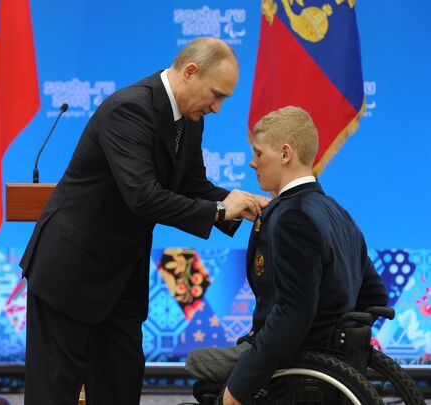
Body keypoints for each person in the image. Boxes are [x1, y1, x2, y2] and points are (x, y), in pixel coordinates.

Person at [20, 37, 270, 405]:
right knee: (54, 392)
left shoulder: (190, 119)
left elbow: (193, 185)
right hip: (70, 273)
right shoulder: (129, 109)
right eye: (216, 95)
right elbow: (143, 197)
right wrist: (219, 210)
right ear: (190, 72)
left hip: (120, 278)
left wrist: (242, 203)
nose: (217, 107)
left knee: (121, 386)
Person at [185, 106, 388, 405]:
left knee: (198, 366)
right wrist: (339, 345)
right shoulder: (339, 214)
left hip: (295, 359)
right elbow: (375, 297)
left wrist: (238, 389)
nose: (252, 163)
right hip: (326, 360)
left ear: (285, 153)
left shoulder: (293, 218)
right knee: (202, 361)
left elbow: (293, 315)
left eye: (258, 153)